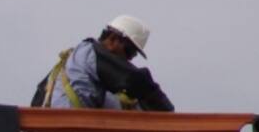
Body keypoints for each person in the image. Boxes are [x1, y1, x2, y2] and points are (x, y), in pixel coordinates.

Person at [31, 15, 174, 112]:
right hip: (68, 130)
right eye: (130, 51)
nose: (129, 59)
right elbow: (137, 80)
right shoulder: (92, 53)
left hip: (55, 131)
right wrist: (167, 112)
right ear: (112, 40)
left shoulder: (80, 64)